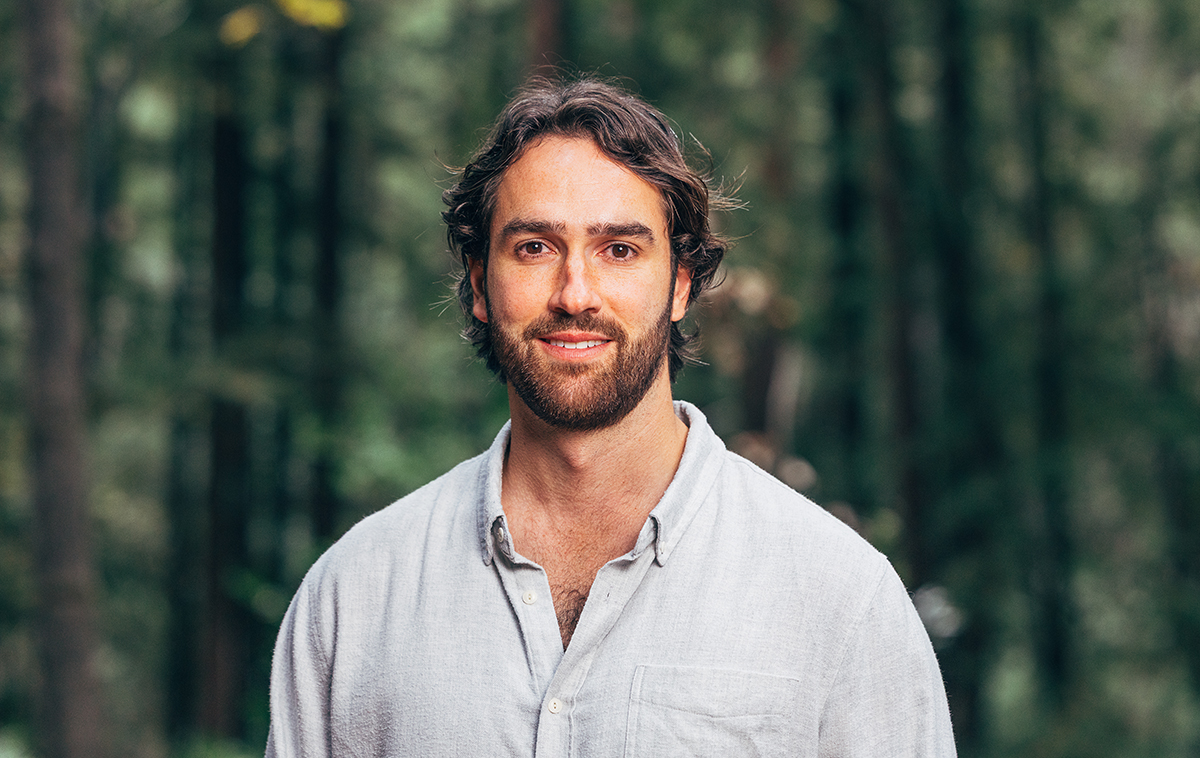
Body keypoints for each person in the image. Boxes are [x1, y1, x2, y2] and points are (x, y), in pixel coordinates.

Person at [265, 76, 957, 757]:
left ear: (681, 283)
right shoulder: (352, 598)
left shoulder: (840, 599)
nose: (575, 293)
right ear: (480, 284)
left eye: (619, 249)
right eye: (534, 247)